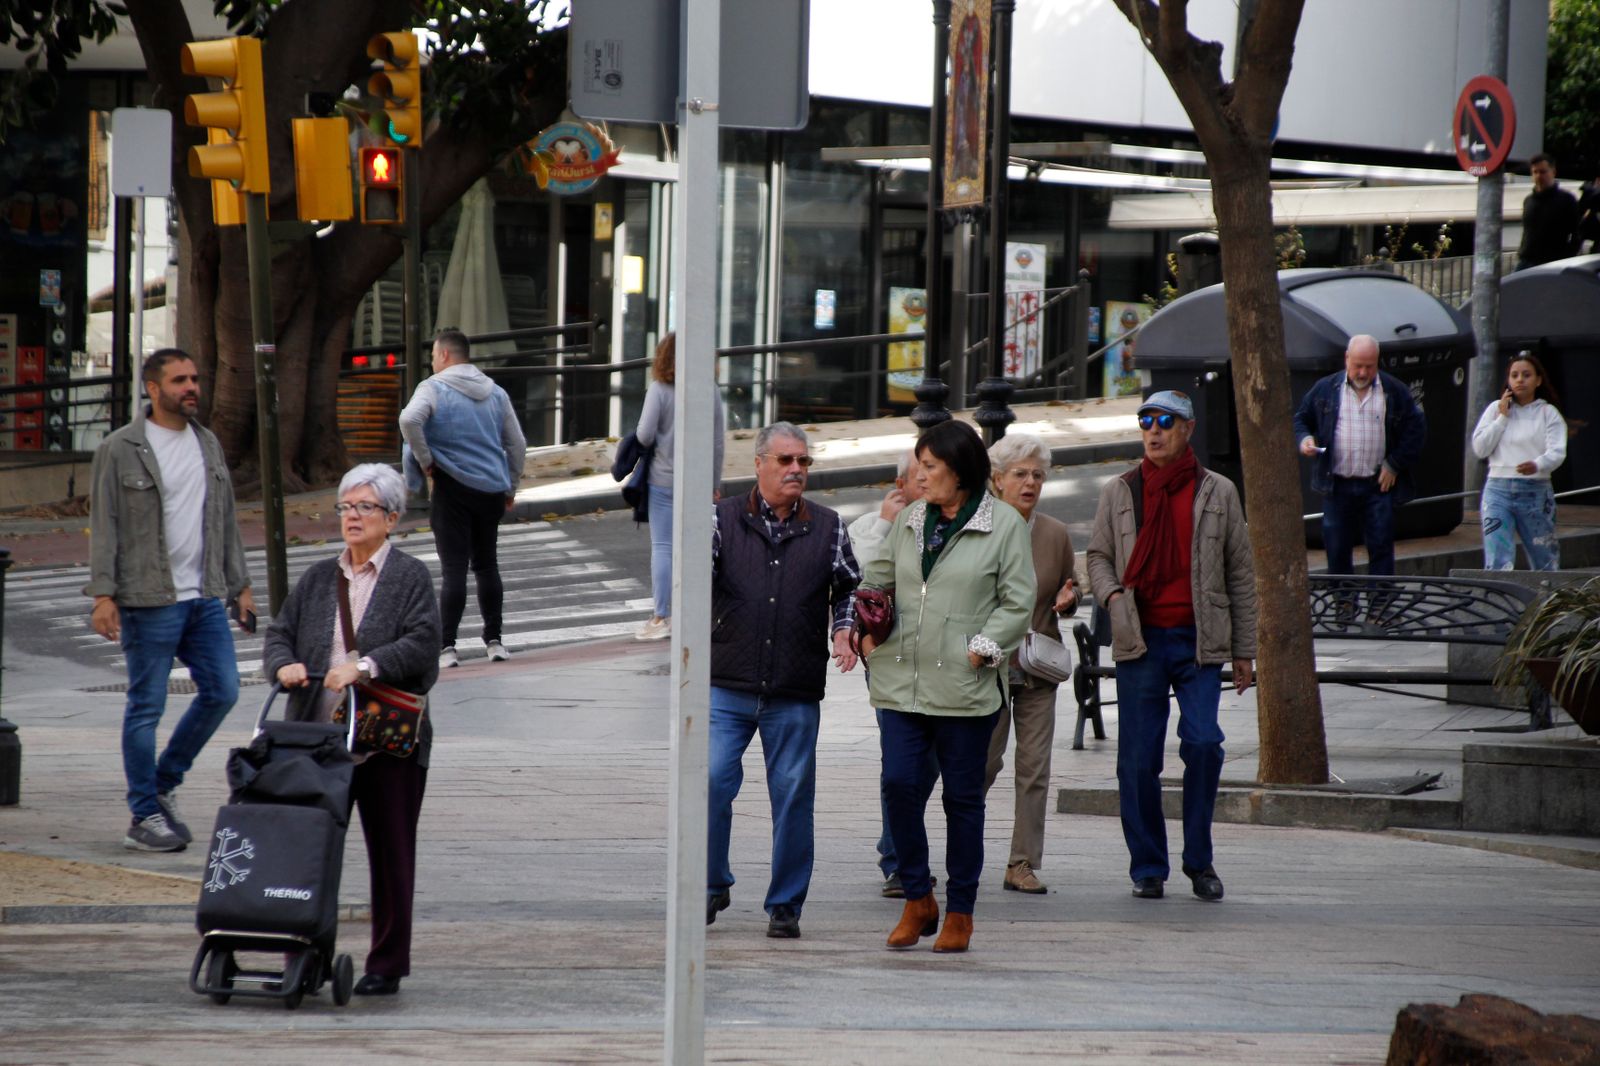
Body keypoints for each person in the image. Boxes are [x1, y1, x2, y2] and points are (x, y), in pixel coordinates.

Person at [262, 463, 441, 996]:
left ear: (391, 517)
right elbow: (279, 634)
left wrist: (364, 667)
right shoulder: (320, 577)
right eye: (344, 507)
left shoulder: (409, 577)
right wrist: (282, 666)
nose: (351, 517)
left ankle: (386, 964)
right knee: (307, 851)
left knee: (390, 854)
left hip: (385, 741)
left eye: (363, 507)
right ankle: (303, 955)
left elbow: (424, 647)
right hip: (318, 740)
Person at [859, 420, 1034, 954]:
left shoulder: (1002, 524)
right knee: (898, 786)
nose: (920, 475)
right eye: (919, 466)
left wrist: (984, 646)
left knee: (962, 802)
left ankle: (960, 910)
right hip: (902, 683)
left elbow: (1017, 600)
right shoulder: (911, 518)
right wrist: (863, 625)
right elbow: (877, 579)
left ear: (958, 472)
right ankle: (918, 896)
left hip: (966, 687)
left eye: (930, 467)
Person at [1086, 390, 1256, 902]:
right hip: (1140, 641)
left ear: (1188, 429)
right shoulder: (1120, 491)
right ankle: (1148, 866)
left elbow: (1240, 573)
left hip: (1200, 642)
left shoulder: (1218, 491)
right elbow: (1097, 556)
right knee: (1138, 760)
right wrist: (1113, 595)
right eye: (1145, 421)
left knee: (1204, 744)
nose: (1153, 430)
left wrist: (1244, 650)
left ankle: (1199, 861)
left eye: (1165, 421)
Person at [85, 349, 254, 852]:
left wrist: (240, 585)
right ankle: (143, 815)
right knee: (146, 707)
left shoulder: (208, 444)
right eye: (179, 380)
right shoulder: (120, 448)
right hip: (147, 598)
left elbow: (223, 518)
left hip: (203, 596)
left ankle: (162, 783)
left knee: (223, 690)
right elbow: (105, 525)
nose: (191, 387)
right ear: (153, 389)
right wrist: (103, 595)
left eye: (195, 378)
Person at [706, 422, 861, 940]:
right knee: (708, 782)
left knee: (793, 794)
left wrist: (844, 632)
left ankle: (786, 904)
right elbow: (692, 585)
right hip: (726, 683)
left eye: (803, 462)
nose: (796, 470)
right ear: (759, 464)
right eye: (786, 461)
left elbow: (849, 590)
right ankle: (709, 883)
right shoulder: (722, 519)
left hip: (794, 688)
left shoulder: (829, 525)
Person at [982, 433, 1077, 895]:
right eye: (1019, 474)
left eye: (1038, 475)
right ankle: (963, 850)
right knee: (983, 764)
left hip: (1037, 668)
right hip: (987, 667)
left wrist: (1070, 596)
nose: (1030, 483)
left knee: (1035, 768)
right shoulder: (978, 527)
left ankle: (1021, 863)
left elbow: (1069, 585)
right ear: (997, 480)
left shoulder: (1055, 533)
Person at [399, 328, 525, 669]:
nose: (432, 363)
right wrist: (510, 486)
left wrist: (426, 462)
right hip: (490, 490)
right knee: (487, 564)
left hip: (451, 487)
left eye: (433, 357)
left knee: (454, 568)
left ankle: (447, 648)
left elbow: (409, 419)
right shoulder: (495, 393)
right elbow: (517, 443)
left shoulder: (433, 388)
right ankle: (494, 641)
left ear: (444, 355)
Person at [846, 449, 938, 899]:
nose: (928, 487)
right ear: (899, 485)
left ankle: (895, 842)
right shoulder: (869, 528)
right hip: (890, 658)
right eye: (920, 479)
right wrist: (887, 523)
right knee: (899, 760)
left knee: (931, 762)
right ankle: (899, 861)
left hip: (940, 662)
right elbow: (857, 582)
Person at [1293, 334, 1426, 576]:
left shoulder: (1393, 391)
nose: (1363, 373)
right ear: (1346, 360)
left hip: (1377, 484)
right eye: (1358, 366)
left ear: (1377, 363)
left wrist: (1395, 464)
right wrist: (1305, 439)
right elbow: (1301, 419)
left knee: (1381, 545)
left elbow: (1416, 428)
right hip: (1337, 484)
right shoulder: (1326, 388)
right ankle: (1344, 603)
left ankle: (1380, 607)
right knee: (1336, 547)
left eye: (1369, 366)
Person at [631, 332, 726, 641]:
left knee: (663, 546)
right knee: (697, 548)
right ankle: (698, 611)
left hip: (662, 478)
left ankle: (661, 616)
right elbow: (717, 440)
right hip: (697, 480)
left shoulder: (658, 390)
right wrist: (714, 482)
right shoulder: (708, 389)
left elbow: (644, 435)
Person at [1471, 351, 1568, 571]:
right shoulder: (1496, 409)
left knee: (1544, 555)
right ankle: (1496, 601)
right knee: (1497, 556)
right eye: (1514, 375)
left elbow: (1557, 452)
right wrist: (1502, 419)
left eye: (1526, 375)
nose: (1520, 380)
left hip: (1535, 489)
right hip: (1497, 488)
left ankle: (1546, 602)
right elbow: (1480, 448)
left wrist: (1537, 465)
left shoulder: (1547, 413)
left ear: (1538, 380)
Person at [1517, 155, 1581, 269]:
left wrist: (1566, 258)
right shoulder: (1528, 201)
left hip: (1552, 263)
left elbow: (1577, 234)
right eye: (1535, 172)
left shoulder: (1566, 200)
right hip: (1526, 261)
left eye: (1543, 172)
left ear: (1553, 172)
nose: (1538, 176)